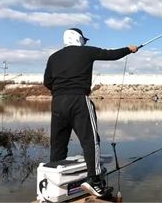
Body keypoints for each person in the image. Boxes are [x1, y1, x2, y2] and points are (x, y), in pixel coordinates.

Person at [43, 28, 138, 197]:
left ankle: (53, 184)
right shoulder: (86, 52)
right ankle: (93, 181)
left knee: (58, 143)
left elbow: (47, 82)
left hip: (57, 102)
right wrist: (129, 49)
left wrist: (61, 91)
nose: (85, 43)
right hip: (79, 100)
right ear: (78, 39)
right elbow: (111, 55)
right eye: (83, 40)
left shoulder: (53, 57)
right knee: (91, 141)